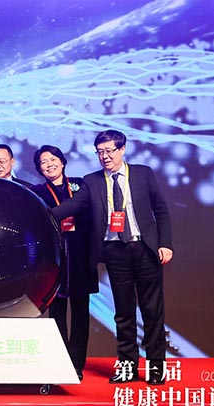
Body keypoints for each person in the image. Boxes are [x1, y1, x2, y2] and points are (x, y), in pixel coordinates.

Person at [50, 130, 173, 385]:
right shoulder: (92, 181)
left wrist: (165, 244)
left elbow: (161, 210)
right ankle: (127, 366)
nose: (104, 156)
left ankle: (156, 366)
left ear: (122, 149)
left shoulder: (143, 174)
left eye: (109, 151)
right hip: (115, 252)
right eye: (100, 152)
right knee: (124, 313)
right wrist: (42, 213)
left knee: (152, 311)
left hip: (145, 249)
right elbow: (72, 207)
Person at [30, 145, 98, 381]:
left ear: (62, 161)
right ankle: (59, 362)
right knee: (56, 313)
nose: (49, 165)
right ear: (39, 169)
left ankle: (76, 364)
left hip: (81, 257)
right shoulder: (37, 192)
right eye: (43, 162)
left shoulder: (81, 185)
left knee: (81, 314)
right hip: (54, 259)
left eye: (52, 159)